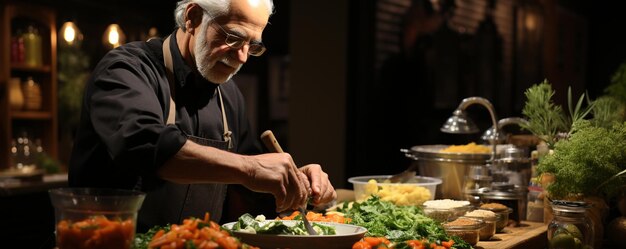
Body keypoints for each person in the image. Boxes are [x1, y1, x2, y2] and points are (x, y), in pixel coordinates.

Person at [68, 0, 336, 231]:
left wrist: (293, 182)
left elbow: (252, 187)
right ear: (192, 17)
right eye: (232, 37)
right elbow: (143, 143)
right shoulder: (126, 69)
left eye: (251, 46)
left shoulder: (229, 96)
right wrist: (251, 169)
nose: (243, 57)